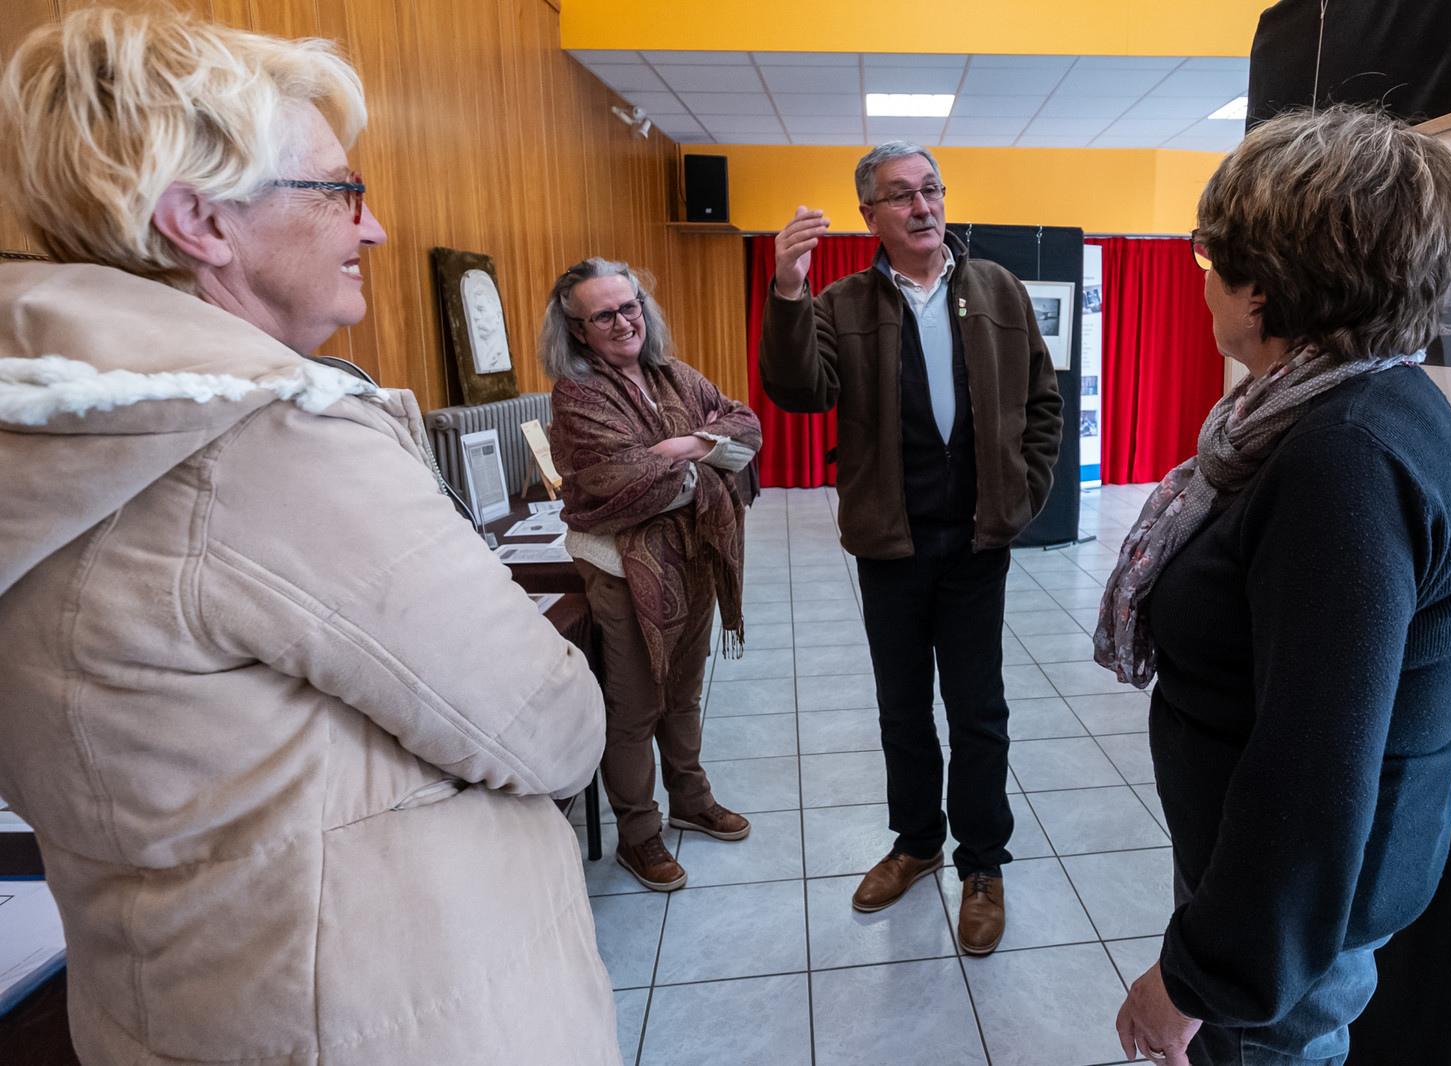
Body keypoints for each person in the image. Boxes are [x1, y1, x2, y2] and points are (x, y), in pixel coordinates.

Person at [0, 10, 620, 1065]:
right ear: (200, 221)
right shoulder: (267, 443)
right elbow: (552, 727)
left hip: (182, 1003)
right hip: (383, 1017)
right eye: (342, 190)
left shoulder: (50, 423)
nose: (370, 228)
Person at [1094, 106, 1451, 1066]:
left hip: (1295, 921)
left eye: (1210, 256)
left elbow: (1313, 771)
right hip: (1290, 890)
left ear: (1264, 289)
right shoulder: (1350, 405)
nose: (1203, 280)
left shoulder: (1343, 456)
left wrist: (1197, 981)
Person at [759, 142, 1063, 955]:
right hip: (888, 543)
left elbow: (1043, 396)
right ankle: (918, 843)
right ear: (871, 216)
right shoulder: (844, 301)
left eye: (930, 189)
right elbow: (798, 391)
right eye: (901, 196)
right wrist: (788, 288)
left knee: (978, 709)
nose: (923, 206)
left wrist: (1025, 490)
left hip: (976, 541)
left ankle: (984, 863)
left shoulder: (995, 287)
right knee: (903, 710)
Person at [542, 258, 762, 892]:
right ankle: (640, 834)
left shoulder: (674, 375)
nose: (622, 321)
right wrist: (707, 464)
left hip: (692, 559)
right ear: (578, 329)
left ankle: (691, 799)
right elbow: (625, 483)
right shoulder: (578, 393)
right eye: (603, 314)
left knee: (684, 693)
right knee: (635, 706)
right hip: (622, 568)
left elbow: (745, 425)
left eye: (629, 305)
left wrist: (683, 447)